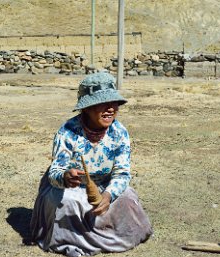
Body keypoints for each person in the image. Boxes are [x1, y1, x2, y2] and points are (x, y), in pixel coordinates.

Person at [30, 72, 153, 257]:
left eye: (114, 104)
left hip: (105, 185)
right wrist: (65, 177)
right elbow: (55, 172)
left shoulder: (119, 132)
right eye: (102, 104)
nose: (110, 109)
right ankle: (70, 241)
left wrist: (108, 195)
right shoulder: (68, 132)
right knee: (68, 203)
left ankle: (105, 234)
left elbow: (121, 174)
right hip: (70, 188)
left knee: (127, 199)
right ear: (86, 108)